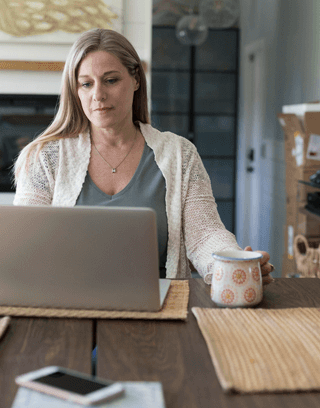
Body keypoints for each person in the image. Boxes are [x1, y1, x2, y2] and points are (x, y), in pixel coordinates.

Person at [14, 28, 273, 285]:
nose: (98, 95)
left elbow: (205, 233)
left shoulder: (180, 154)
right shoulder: (44, 157)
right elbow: (25, 241)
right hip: (68, 300)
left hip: (159, 306)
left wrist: (231, 263)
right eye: (86, 84)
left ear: (136, 79)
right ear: (76, 90)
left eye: (111, 80)